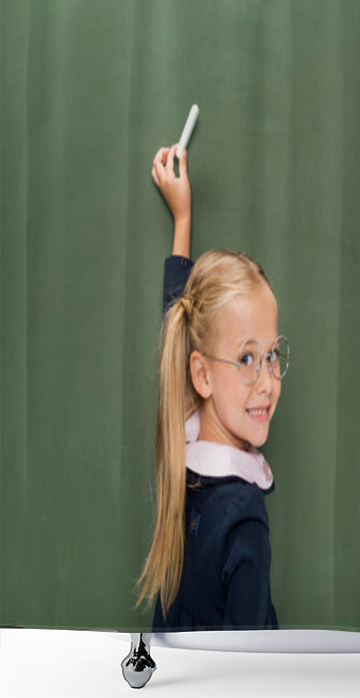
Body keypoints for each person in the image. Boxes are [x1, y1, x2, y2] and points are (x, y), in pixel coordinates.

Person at [136, 144, 287, 630]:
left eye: (272, 355)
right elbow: (245, 673)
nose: (266, 381)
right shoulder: (244, 520)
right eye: (246, 359)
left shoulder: (183, 447)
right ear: (201, 376)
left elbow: (179, 326)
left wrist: (183, 222)